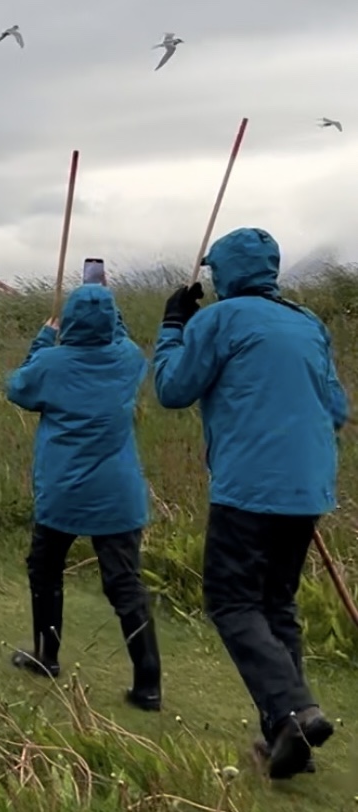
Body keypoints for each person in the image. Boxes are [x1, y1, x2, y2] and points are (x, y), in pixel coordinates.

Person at [154, 227, 349, 779]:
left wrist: (173, 326)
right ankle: (289, 739)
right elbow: (335, 407)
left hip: (250, 486)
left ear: (225, 274)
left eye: (214, 273)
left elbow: (172, 390)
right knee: (276, 605)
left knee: (233, 602)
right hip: (306, 486)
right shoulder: (308, 322)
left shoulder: (220, 319)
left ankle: (297, 710)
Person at [5, 283, 162, 711]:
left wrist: (42, 338)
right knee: (125, 584)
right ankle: (148, 684)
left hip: (64, 491)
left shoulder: (52, 364)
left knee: (45, 569)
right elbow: (124, 337)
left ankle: (47, 655)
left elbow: (18, 388)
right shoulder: (129, 360)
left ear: (69, 321)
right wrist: (110, 309)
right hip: (118, 494)